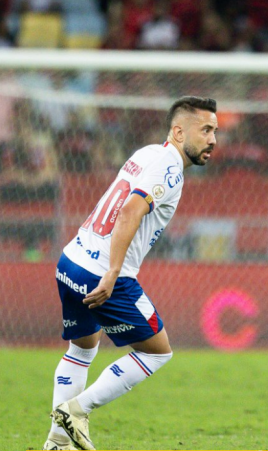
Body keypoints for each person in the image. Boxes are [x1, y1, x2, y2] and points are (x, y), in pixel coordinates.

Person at [44, 96, 218, 450]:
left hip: (72, 260)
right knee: (157, 351)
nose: (213, 139)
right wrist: (112, 272)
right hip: (103, 274)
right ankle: (75, 411)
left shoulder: (147, 152)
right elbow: (128, 212)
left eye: (215, 131)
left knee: (82, 349)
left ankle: (58, 443)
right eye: (206, 130)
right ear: (179, 130)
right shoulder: (169, 170)